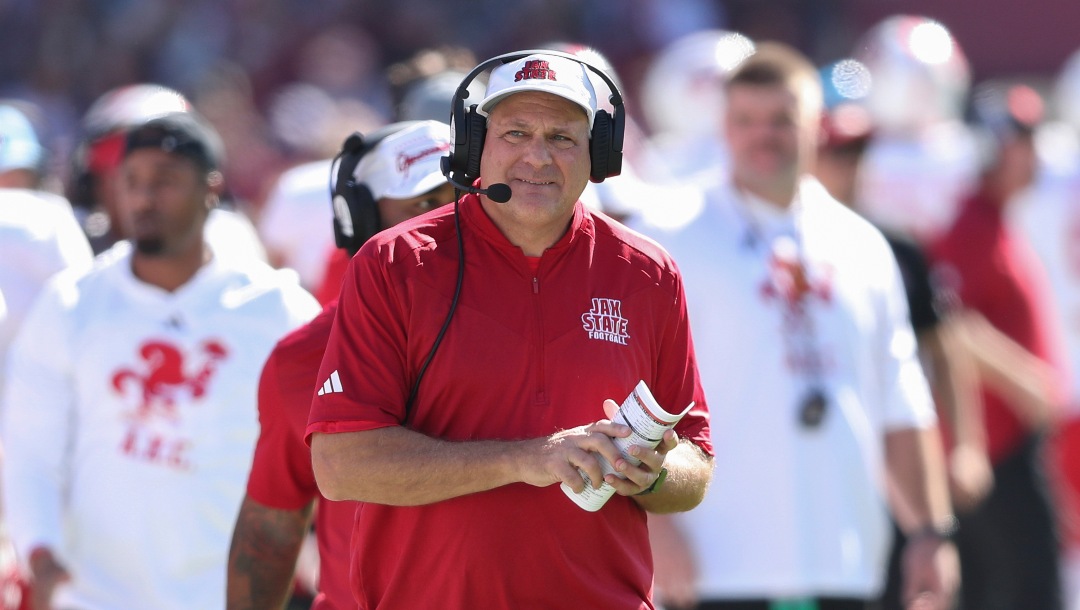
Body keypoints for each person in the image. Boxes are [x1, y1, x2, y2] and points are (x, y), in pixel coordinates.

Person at [306, 50, 714, 609]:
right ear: (475, 145)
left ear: (598, 152)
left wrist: (650, 474)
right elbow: (341, 465)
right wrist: (529, 459)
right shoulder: (394, 263)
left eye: (563, 137)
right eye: (515, 132)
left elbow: (695, 465)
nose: (537, 156)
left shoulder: (649, 272)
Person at [636, 42, 959, 610]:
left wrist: (932, 533)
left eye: (782, 119)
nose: (763, 135)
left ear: (816, 125)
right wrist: (653, 527)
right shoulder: (668, 239)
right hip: (715, 564)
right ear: (724, 128)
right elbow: (624, 394)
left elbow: (902, 403)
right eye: (745, 120)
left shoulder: (863, 244)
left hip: (844, 562)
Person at [1, 110, 320, 610]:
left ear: (210, 189)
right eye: (132, 181)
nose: (145, 197)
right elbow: (29, 447)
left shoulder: (276, 307)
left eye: (165, 181)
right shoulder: (72, 304)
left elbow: (318, 448)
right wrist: (39, 553)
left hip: (224, 595)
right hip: (93, 596)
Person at [226, 119, 458, 610]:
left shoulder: (538, 319)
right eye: (423, 204)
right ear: (359, 222)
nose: (450, 222)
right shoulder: (303, 359)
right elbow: (271, 529)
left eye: (460, 200)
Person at [812, 63, 992, 610]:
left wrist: (968, 446)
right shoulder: (768, 247)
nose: (850, 164)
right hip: (823, 462)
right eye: (836, 149)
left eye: (859, 150)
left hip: (897, 452)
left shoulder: (896, 245)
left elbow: (943, 349)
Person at [931, 82, 1069, 610]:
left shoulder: (991, 220)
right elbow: (950, 325)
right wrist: (1027, 382)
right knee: (1029, 591)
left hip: (1005, 441)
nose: (1034, 156)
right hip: (997, 447)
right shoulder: (971, 227)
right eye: (1024, 141)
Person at [68, 83, 267, 263]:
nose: (143, 186)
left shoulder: (225, 236)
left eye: (166, 172)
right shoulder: (67, 240)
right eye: (112, 152)